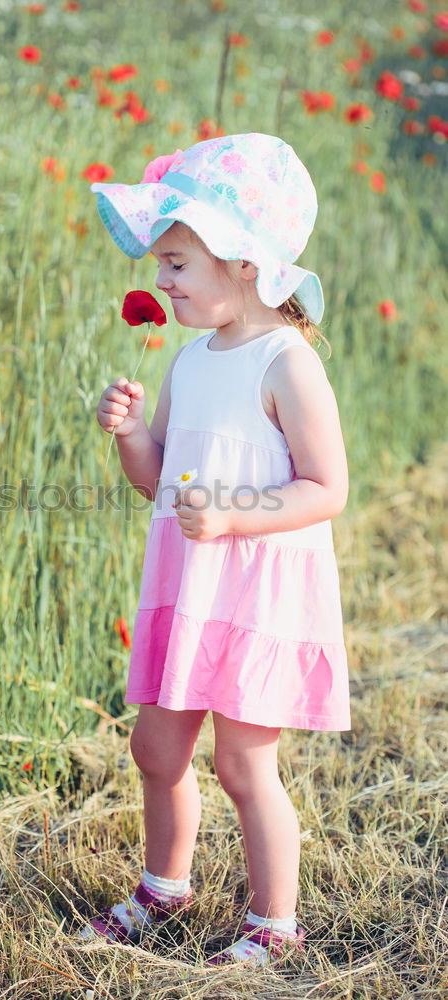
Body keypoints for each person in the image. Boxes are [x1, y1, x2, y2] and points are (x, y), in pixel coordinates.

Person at [82, 133, 351, 967]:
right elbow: (157, 479)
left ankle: (272, 920)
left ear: (242, 263)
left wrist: (231, 517)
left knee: (242, 763)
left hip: (255, 592)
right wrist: (129, 436)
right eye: (160, 263)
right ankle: (164, 885)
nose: (158, 281)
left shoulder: (286, 363)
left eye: (174, 262)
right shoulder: (192, 359)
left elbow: (326, 489)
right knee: (154, 747)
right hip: (188, 586)